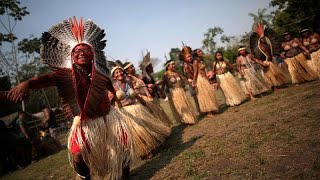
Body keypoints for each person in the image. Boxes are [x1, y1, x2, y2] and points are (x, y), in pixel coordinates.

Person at [7, 17, 133, 179]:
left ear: (92, 53)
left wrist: (112, 97)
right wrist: (27, 83)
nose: (82, 53)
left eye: (86, 50)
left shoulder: (100, 73)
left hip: (109, 117)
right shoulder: (65, 76)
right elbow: (46, 79)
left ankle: (125, 174)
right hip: (84, 122)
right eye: (77, 51)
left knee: (123, 146)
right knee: (78, 154)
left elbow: (110, 88)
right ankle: (85, 176)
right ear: (72, 55)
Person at [110, 64, 170, 159]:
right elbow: (111, 101)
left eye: (120, 71)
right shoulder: (113, 87)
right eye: (116, 72)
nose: (119, 73)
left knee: (147, 127)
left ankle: (153, 145)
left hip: (136, 107)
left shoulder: (128, 82)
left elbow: (135, 94)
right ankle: (144, 151)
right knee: (137, 133)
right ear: (114, 77)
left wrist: (143, 102)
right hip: (126, 112)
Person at [181, 45, 219, 116]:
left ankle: (211, 108)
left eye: (190, 56)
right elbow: (193, 73)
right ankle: (206, 111)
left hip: (203, 79)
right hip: (197, 80)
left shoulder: (198, 61)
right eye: (187, 57)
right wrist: (193, 82)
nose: (189, 58)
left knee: (208, 93)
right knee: (201, 96)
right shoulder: (189, 64)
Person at [250, 23, 290, 90]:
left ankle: (276, 86)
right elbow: (253, 58)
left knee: (274, 74)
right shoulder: (257, 47)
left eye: (264, 38)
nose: (263, 39)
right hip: (265, 63)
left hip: (270, 62)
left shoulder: (267, 44)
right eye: (262, 38)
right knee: (269, 76)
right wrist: (261, 63)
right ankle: (274, 87)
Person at [139, 51, 171, 126]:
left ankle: (164, 126)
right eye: (151, 66)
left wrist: (161, 92)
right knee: (155, 114)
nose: (153, 67)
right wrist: (153, 85)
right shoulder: (142, 77)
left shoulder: (150, 76)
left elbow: (155, 86)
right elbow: (142, 88)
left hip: (154, 97)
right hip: (149, 98)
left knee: (159, 111)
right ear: (147, 68)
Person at [162, 60, 198, 125]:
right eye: (172, 64)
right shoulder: (166, 74)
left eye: (174, 64)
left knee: (185, 105)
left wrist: (191, 85)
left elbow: (184, 79)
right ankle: (184, 120)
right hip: (173, 92)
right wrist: (162, 92)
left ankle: (188, 118)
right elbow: (163, 84)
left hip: (181, 91)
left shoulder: (177, 72)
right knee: (179, 107)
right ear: (168, 66)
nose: (173, 66)